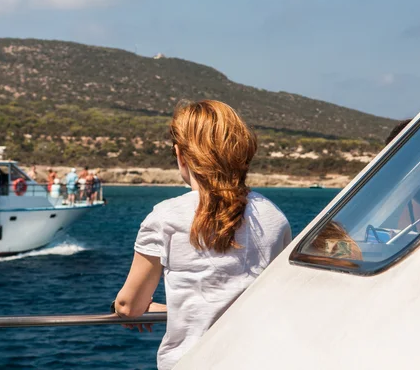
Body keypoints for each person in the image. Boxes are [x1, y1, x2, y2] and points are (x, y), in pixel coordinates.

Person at [113, 100, 292, 370]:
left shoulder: (166, 216)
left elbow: (129, 307)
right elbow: (256, 298)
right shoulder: (273, 215)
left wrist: (141, 306)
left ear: (181, 155)